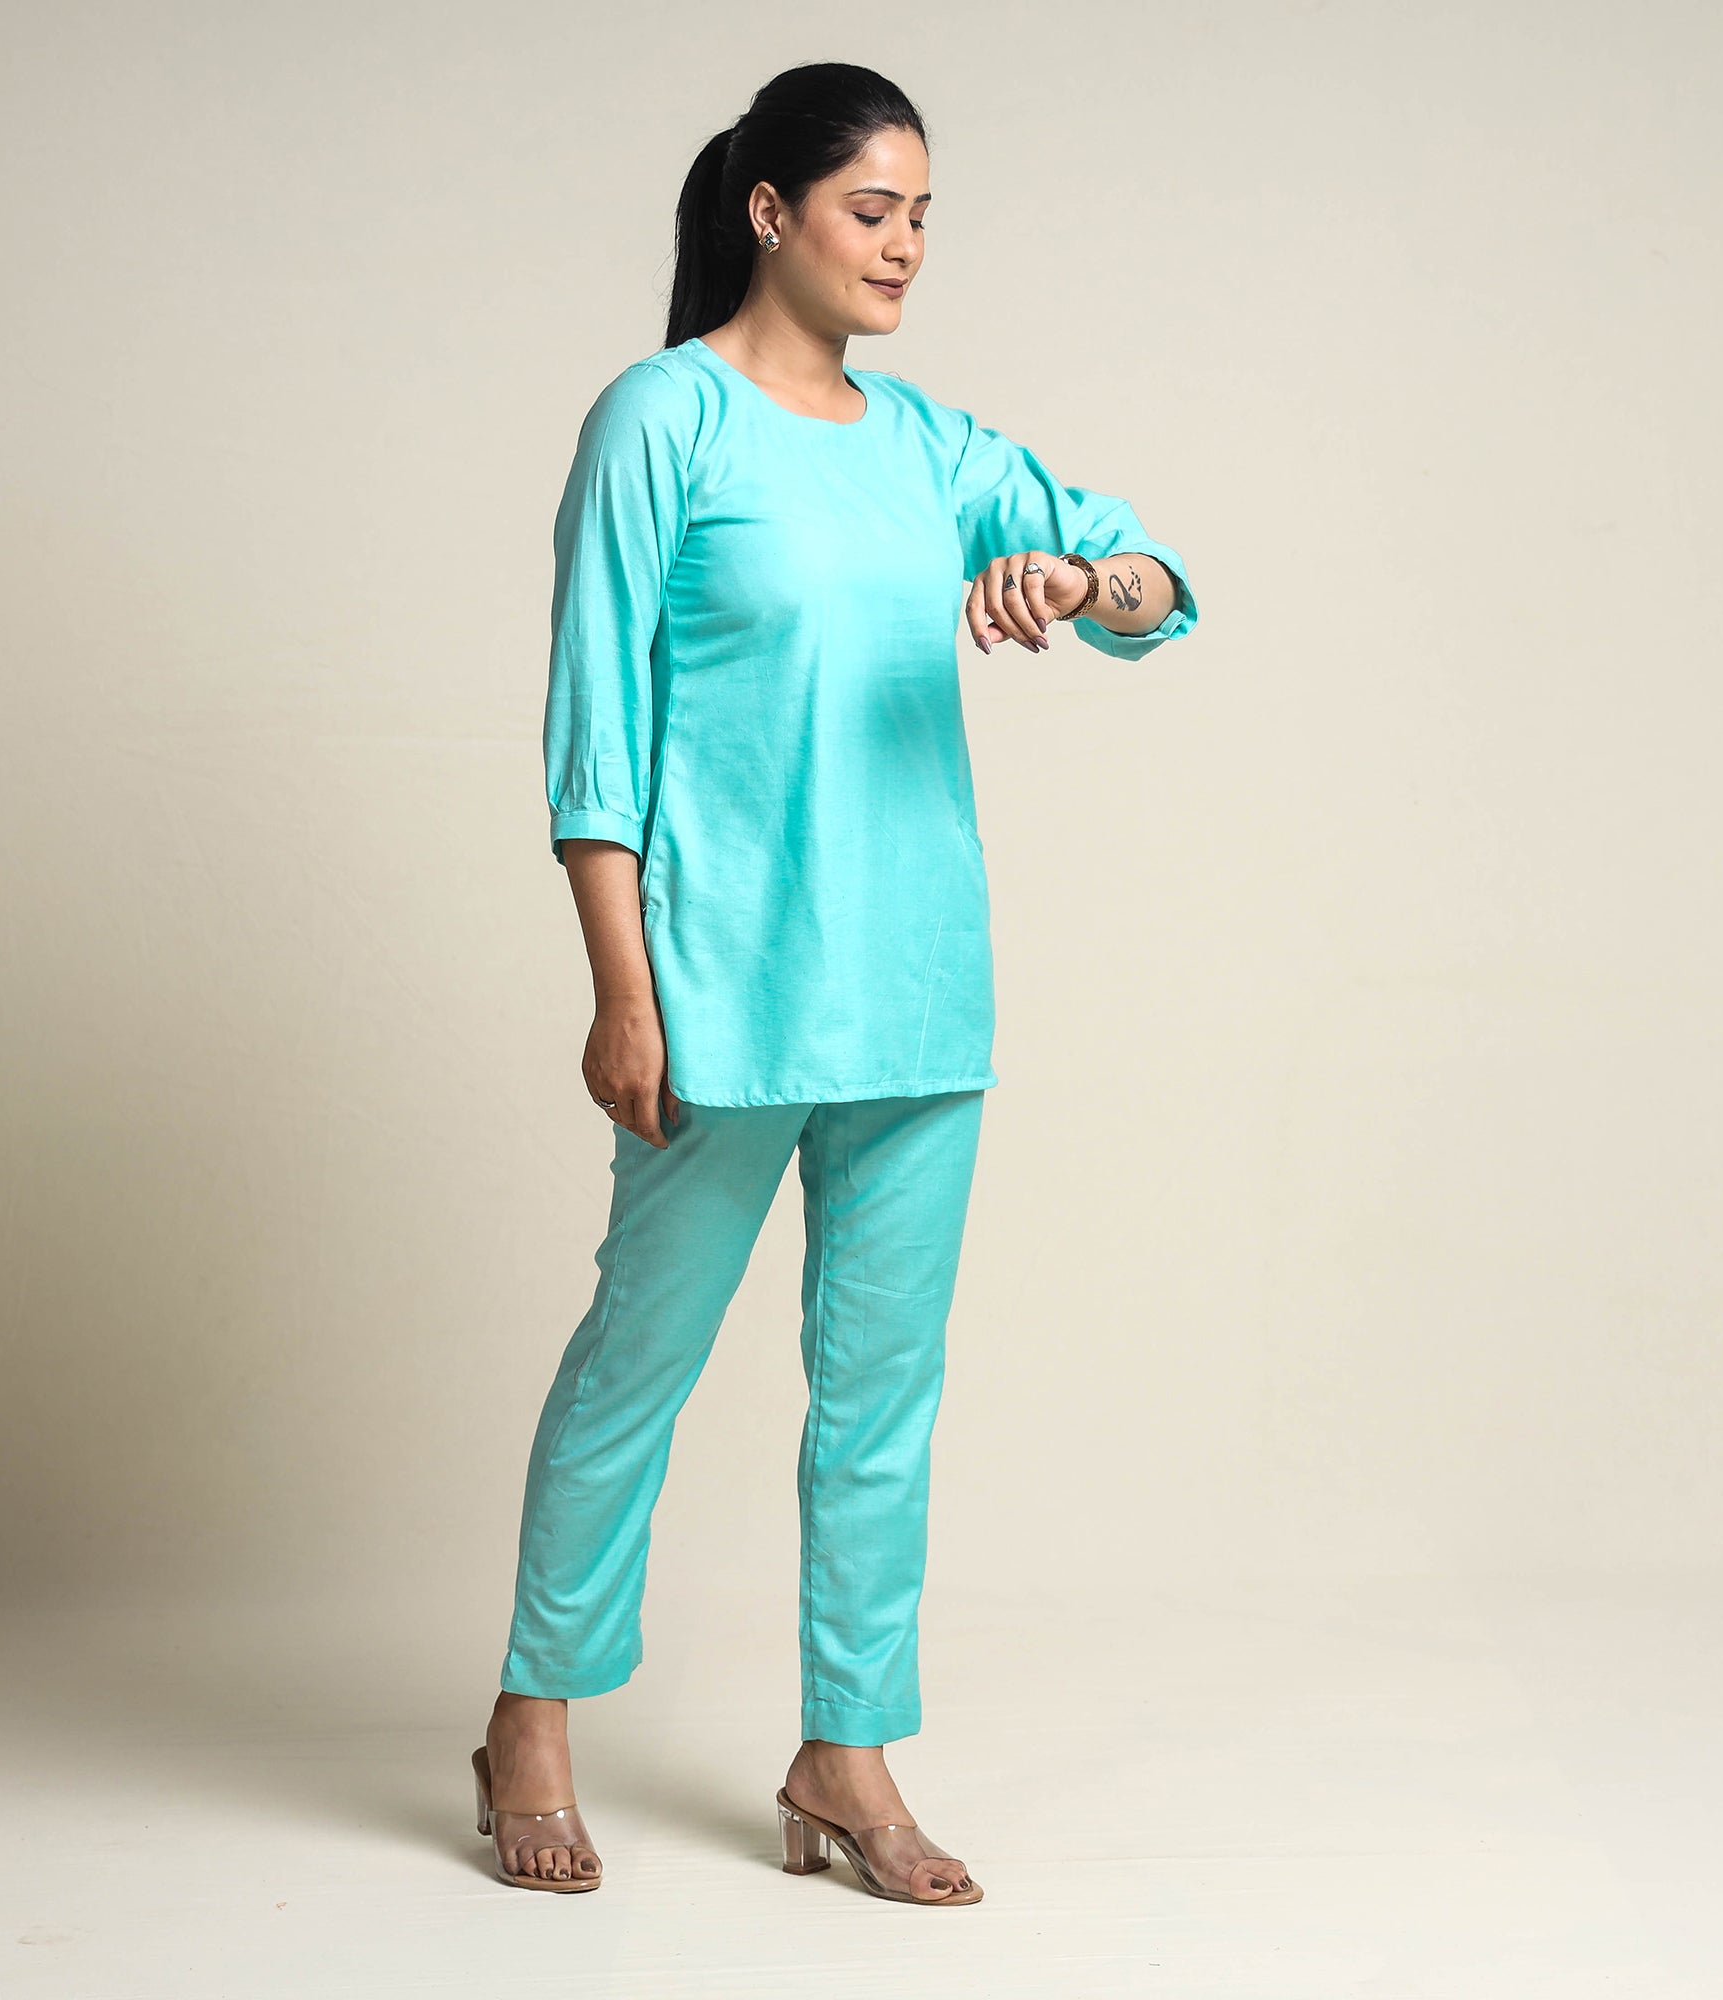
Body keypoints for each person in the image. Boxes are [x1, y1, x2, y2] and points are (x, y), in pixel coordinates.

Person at [472, 60, 1198, 1903]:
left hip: (918, 996)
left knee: (883, 1399)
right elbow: (595, 734)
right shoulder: (663, 417)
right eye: (874, 210)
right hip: (721, 990)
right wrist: (622, 992)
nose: (905, 247)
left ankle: (845, 1752)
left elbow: (1157, 580)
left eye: (925, 217)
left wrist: (1078, 581)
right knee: (638, 1361)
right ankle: (532, 1719)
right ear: (770, 211)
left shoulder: (932, 448)